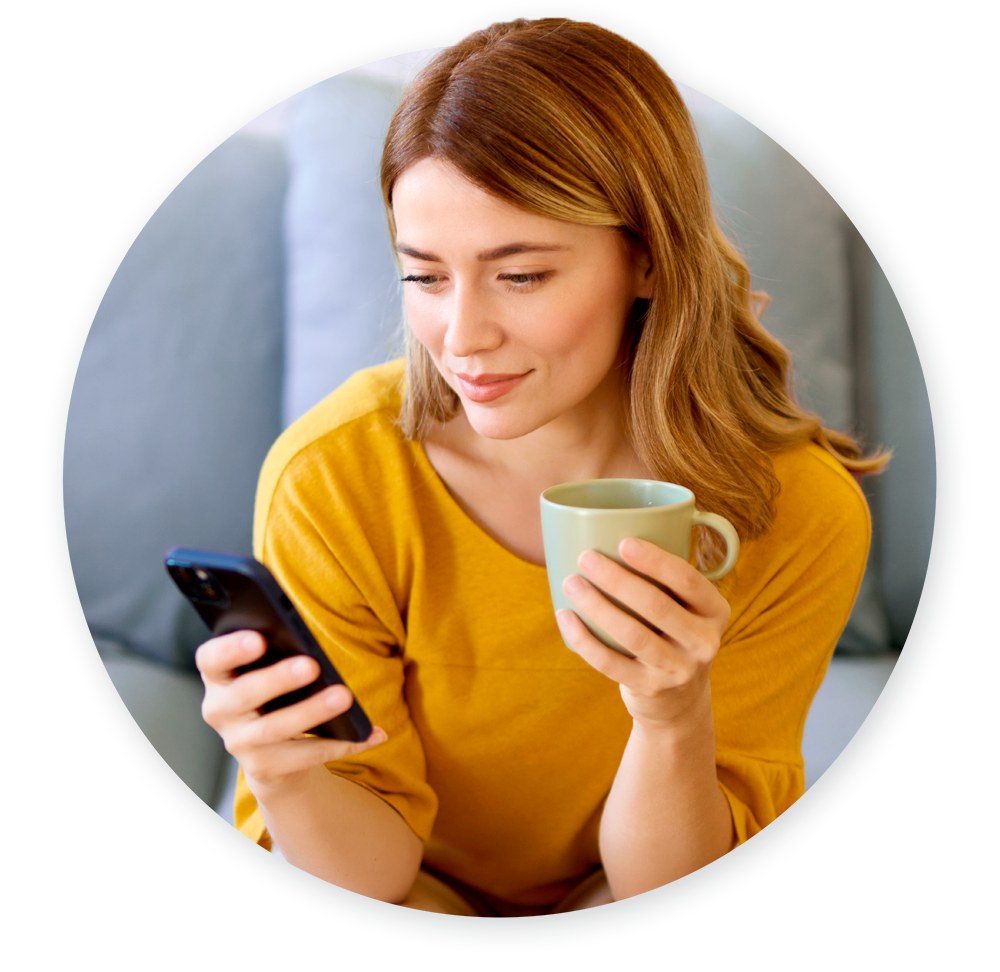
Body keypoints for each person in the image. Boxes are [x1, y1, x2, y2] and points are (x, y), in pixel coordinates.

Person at [196, 17, 887, 917]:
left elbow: (672, 892)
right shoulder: (336, 479)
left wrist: (673, 712)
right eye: (426, 278)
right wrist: (280, 773)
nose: (463, 338)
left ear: (646, 256)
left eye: (520, 276)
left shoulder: (793, 510)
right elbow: (364, 882)